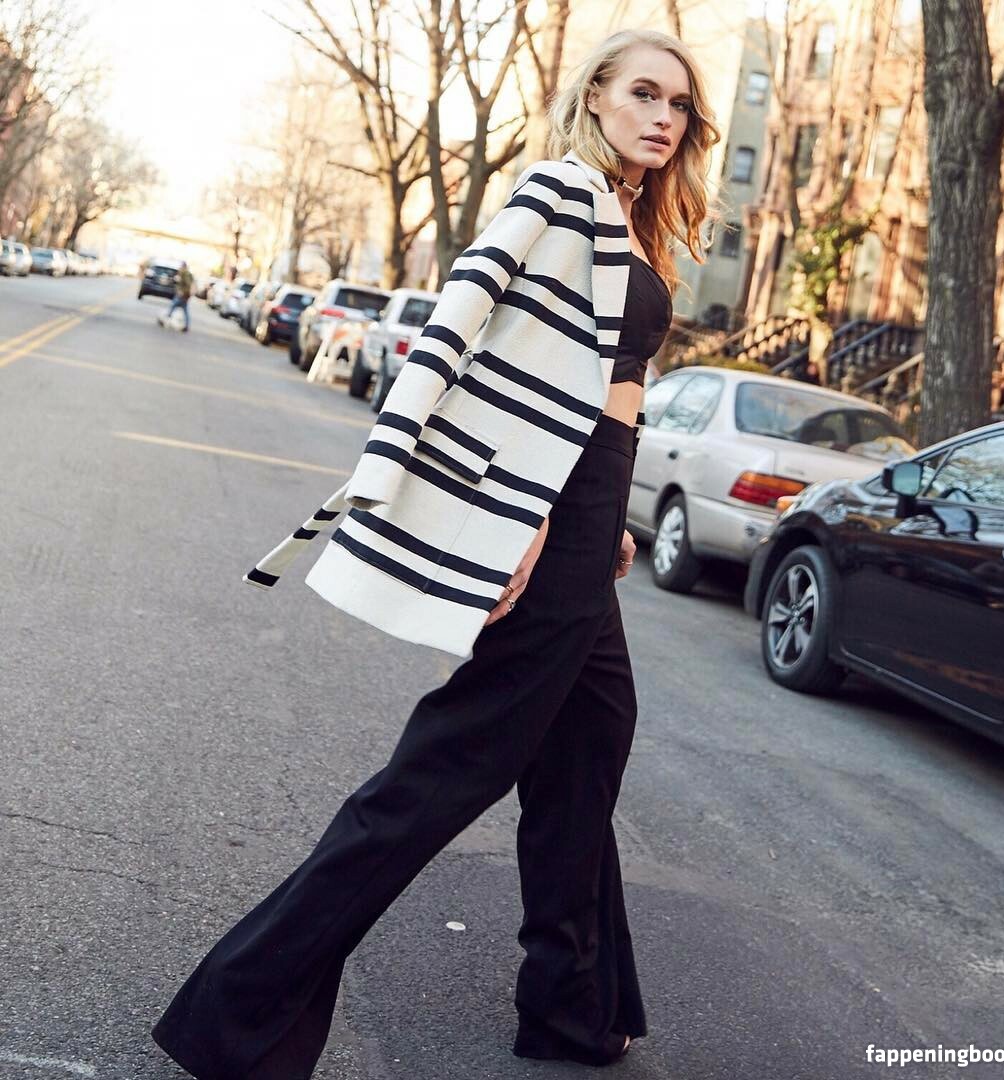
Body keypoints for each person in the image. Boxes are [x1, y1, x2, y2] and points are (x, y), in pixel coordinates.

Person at [151, 27, 719, 1080]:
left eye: (679, 105)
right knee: (454, 763)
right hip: (551, 503)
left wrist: (609, 512)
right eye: (644, 93)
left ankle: (570, 1003)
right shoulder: (558, 191)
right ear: (594, 95)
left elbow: (605, 388)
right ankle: (236, 1011)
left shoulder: (629, 221)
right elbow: (457, 326)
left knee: (591, 740)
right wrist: (512, 506)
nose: (663, 118)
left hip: (591, 495)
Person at [161, 260, 193, 331]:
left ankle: (165, 320)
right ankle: (187, 325)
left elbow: (187, 284)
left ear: (183, 266)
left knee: (172, 306)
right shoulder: (186, 273)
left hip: (182, 294)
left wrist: (182, 290)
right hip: (184, 294)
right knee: (183, 310)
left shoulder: (185, 273)